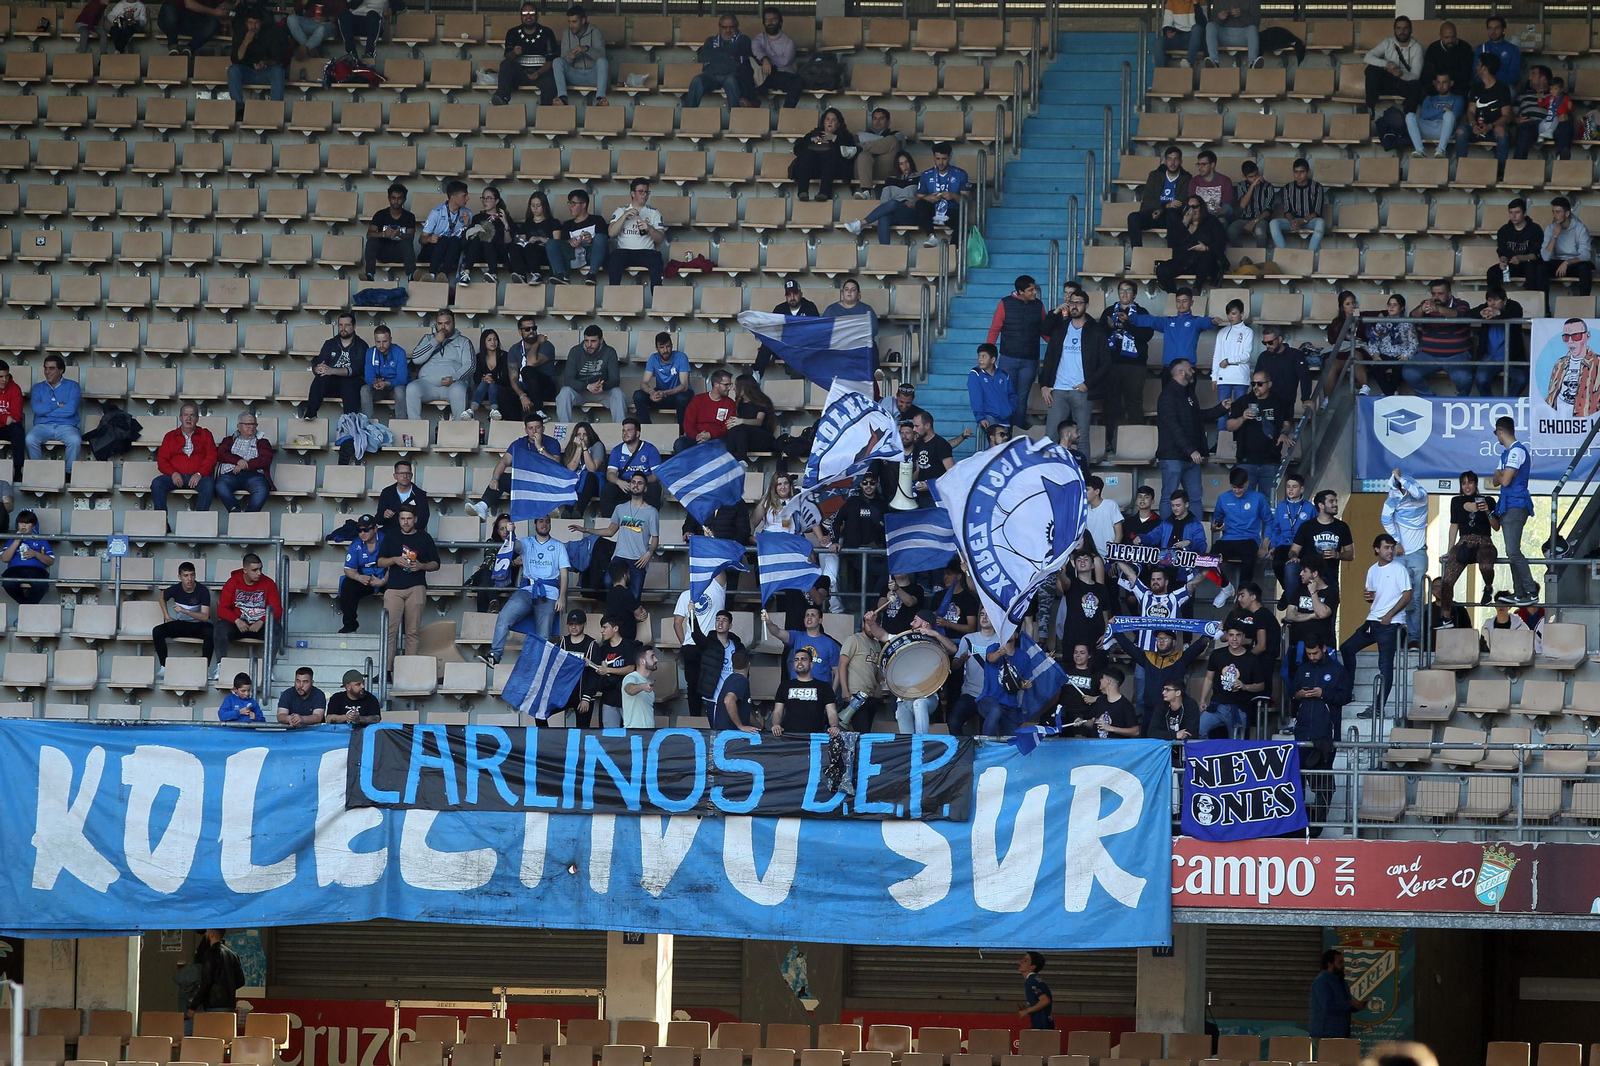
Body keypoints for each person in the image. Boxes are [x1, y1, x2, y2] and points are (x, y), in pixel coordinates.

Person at [1339, 534, 1412, 718]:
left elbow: (1407, 595)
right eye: (1386, 547)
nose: (1390, 551)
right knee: (1347, 648)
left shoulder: (1399, 569)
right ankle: (1349, 690)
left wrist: (1389, 615)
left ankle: (1378, 707)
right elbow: (1372, 595)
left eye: (1392, 547)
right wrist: (1368, 598)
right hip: (1373, 620)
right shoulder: (1372, 570)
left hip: (1391, 623)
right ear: (1376, 549)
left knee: (1385, 665)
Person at [483, 516, 569, 666]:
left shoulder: (558, 546)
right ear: (534, 524)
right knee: (503, 616)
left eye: (547, 521)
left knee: (544, 634)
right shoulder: (527, 542)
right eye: (541, 521)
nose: (544, 524)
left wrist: (562, 597)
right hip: (527, 590)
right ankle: (495, 655)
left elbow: (564, 574)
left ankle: (538, 665)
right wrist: (511, 532)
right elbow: (512, 546)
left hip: (549, 593)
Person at [1155, 359, 1225, 516]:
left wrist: (1221, 409)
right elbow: (1173, 427)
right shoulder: (1167, 396)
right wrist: (1191, 450)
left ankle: (1196, 535)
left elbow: (1198, 417)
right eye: (1190, 369)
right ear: (1181, 373)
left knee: (1195, 498)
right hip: (1174, 456)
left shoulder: (1189, 394)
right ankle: (1166, 536)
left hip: (1192, 457)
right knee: (1169, 497)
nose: (1193, 371)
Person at [1291, 641, 1349, 827]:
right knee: (1298, 776)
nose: (1312, 657)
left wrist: (1324, 693)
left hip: (1325, 733)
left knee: (1322, 779)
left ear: (1323, 648)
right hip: (1302, 731)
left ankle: (1319, 822)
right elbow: (1292, 693)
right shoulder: (1303, 669)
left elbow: (1345, 697)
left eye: (1315, 652)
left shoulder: (1337, 670)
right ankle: (1298, 820)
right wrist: (1299, 695)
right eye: (1309, 654)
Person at [574, 472, 658, 599]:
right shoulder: (620, 508)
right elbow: (610, 531)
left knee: (634, 597)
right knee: (608, 582)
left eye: (640, 483)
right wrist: (586, 529)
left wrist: (649, 553)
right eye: (633, 482)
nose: (636, 485)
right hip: (620, 556)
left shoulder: (652, 512)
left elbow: (655, 538)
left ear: (645, 488)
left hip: (638, 559)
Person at [377, 503, 439, 673]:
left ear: (415, 519)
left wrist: (421, 566)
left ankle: (409, 671)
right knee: (390, 630)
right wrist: (394, 560)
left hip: (416, 586)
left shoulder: (424, 538)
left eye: (409, 518)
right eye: (403, 518)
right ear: (399, 519)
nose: (405, 522)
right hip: (394, 587)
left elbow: (436, 564)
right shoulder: (391, 536)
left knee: (412, 631)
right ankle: (386, 671)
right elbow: (380, 561)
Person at [1114, 628, 1210, 735]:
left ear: (1174, 642)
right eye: (1159, 638)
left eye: (1166, 638)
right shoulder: (1149, 657)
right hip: (1150, 711)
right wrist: (1116, 630)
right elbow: (1129, 648)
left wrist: (1211, 630)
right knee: (1148, 743)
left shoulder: (1181, 658)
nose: (1161, 641)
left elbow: (1199, 646)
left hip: (1171, 712)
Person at [1040, 290, 1108, 437]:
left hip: (1081, 391)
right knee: (1051, 437)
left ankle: (1082, 461)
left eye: (1079, 303)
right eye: (1072, 303)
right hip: (1058, 389)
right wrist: (1044, 385)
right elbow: (1049, 358)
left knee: (1082, 437)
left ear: (1087, 305)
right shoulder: (1060, 329)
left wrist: (1087, 384)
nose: (1074, 306)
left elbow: (1105, 363)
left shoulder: (1096, 331)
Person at [986, 275, 1046, 428]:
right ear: (1020, 291)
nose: (1034, 292)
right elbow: (995, 329)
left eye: (1034, 289)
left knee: (1022, 398)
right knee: (1006, 396)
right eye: (1030, 290)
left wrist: (1058, 345)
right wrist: (988, 353)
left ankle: (1017, 432)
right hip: (1008, 358)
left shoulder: (1038, 305)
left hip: (1030, 360)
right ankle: (1005, 430)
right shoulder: (1005, 303)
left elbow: (1044, 331)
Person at [1493, 415, 1538, 605]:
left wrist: (1502, 474)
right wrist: (1502, 473)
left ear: (1500, 431)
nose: (1496, 436)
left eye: (1496, 432)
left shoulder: (1517, 452)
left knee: (1513, 551)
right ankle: (1519, 593)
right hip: (1506, 505)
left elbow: (1503, 480)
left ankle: (1530, 591)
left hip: (1516, 505)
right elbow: (1495, 479)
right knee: (1511, 551)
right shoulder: (1506, 454)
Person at [1403, 278, 1474, 397]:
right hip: (1428, 355)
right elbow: (1412, 318)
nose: (1436, 297)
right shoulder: (1427, 304)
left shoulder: (1461, 304)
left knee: (1464, 378)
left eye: (1440, 294)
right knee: (1409, 372)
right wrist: (1421, 309)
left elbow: (1459, 316)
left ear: (1449, 294)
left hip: (1457, 355)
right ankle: (1430, 399)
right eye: (1433, 293)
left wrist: (1438, 309)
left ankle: (1460, 402)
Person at [1210, 468, 1270, 605]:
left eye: (1240, 487)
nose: (1237, 491)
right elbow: (1215, 522)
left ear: (1247, 483)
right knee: (1207, 560)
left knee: (1249, 560)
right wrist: (1215, 527)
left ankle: (1242, 595)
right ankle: (1226, 588)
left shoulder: (1258, 498)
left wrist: (1264, 546)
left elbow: (1269, 521)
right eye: (1234, 487)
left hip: (1249, 539)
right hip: (1228, 538)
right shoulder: (1223, 498)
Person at [1225, 370, 1289, 498]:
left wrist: (1284, 433)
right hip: (1246, 460)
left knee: (1268, 501)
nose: (1255, 387)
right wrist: (1242, 418)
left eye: (1259, 384)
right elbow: (1229, 426)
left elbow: (1286, 424)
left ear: (1269, 384)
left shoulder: (1278, 401)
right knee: (1245, 500)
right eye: (1253, 383)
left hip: (1271, 459)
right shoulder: (1243, 401)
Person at [1381, 468, 1429, 634]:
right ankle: (1403, 634)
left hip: (1418, 554)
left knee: (1416, 597)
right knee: (1402, 596)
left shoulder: (1421, 496)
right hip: (1399, 556)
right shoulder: (1392, 500)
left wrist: (1400, 478)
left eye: (1403, 486)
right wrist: (1397, 542)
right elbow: (1385, 519)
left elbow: (1418, 493)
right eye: (1398, 486)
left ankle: (1415, 636)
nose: (1402, 490)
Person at [213, 553, 281, 670]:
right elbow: (222, 609)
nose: (259, 573)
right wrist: (236, 620)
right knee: (220, 627)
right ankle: (221, 666)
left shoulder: (268, 583)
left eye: (260, 569)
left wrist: (261, 621)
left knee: (276, 628)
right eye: (254, 570)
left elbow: (277, 609)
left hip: (260, 626)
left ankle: (268, 668)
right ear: (245, 570)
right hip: (239, 625)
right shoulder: (233, 582)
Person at [839, 150, 922, 246]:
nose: (905, 166)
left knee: (893, 203)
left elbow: (924, 198)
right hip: (895, 213)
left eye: (907, 162)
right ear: (897, 165)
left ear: (911, 162)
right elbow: (884, 201)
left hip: (911, 212)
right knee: (883, 217)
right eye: (901, 164)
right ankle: (884, 251)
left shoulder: (920, 177)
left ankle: (860, 223)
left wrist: (913, 204)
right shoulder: (891, 180)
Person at [1199, 622, 1267, 738]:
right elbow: (1208, 679)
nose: (1234, 639)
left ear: (1243, 636)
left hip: (1239, 708)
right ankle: (1207, 755)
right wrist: (1202, 700)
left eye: (1238, 635)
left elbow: (1261, 685)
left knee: (1236, 744)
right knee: (1199, 729)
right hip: (1217, 706)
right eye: (1231, 635)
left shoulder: (1252, 659)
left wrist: (1244, 686)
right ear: (1226, 636)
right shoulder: (1217, 654)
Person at [1286, 488, 1353, 602]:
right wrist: (1294, 557)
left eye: (1336, 501)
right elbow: (1293, 550)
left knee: (1332, 601)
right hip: (1309, 569)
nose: (1336, 504)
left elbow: (1350, 554)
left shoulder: (1342, 527)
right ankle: (1291, 602)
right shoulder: (1307, 526)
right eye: (1331, 501)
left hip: (1329, 570)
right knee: (1291, 567)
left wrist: (1337, 555)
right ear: (1321, 505)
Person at [1128, 287, 1221, 369]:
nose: (1181, 304)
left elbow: (1206, 322)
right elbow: (1152, 320)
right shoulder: (1167, 322)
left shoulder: (1195, 322)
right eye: (1178, 301)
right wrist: (1130, 318)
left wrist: (1213, 321)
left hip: (1188, 367)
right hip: (1169, 367)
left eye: (1185, 301)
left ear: (1191, 302)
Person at [406, 310, 474, 420]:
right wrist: (435, 341)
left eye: (447, 323)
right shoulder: (427, 339)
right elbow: (416, 359)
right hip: (428, 385)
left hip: (452, 386)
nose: (443, 327)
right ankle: (416, 430)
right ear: (436, 324)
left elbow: (470, 366)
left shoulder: (464, 342)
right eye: (440, 324)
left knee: (459, 390)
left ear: (453, 324)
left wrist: (454, 378)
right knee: (412, 388)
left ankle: (460, 431)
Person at [152, 403, 217, 513]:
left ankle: (199, 521)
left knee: (209, 485)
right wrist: (173, 473)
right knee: (157, 484)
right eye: (185, 415)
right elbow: (162, 461)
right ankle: (162, 522)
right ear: (180, 418)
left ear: (197, 419)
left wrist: (199, 474)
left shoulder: (205, 434)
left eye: (192, 415)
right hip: (175, 476)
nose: (188, 418)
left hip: (198, 477)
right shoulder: (170, 436)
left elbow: (211, 457)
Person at [491, 0, 558, 106]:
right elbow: (508, 56)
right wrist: (514, 52)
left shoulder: (547, 32)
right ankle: (501, 97)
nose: (528, 16)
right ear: (520, 16)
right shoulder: (512, 33)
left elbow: (551, 60)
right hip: (521, 73)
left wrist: (539, 72)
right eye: (525, 14)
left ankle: (546, 111)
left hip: (541, 73)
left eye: (532, 13)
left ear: (537, 15)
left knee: (552, 79)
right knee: (505, 64)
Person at [299, 313, 365, 419]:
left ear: (354, 326)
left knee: (351, 383)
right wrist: (318, 368)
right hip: (333, 383)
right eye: (340, 325)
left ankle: (350, 421)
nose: (343, 328)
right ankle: (310, 413)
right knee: (320, 378)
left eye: (347, 325)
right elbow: (320, 362)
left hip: (351, 382)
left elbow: (357, 369)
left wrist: (332, 370)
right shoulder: (330, 343)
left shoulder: (361, 345)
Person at [153, 561, 212, 679]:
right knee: (157, 631)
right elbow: (161, 596)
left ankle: (205, 668)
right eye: (186, 576)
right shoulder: (176, 589)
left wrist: (186, 611)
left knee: (211, 631)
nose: (189, 579)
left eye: (192, 575)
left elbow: (205, 617)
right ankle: (164, 667)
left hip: (198, 625)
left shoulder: (203, 590)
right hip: (181, 625)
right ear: (180, 577)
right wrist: (167, 616)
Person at [556, 324, 626, 423]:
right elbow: (568, 380)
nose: (589, 345)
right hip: (581, 392)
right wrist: (587, 386)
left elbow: (615, 380)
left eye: (593, 341)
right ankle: (564, 429)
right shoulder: (575, 351)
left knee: (618, 393)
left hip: (602, 391)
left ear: (601, 340)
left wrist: (603, 386)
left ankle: (621, 430)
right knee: (564, 392)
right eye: (586, 341)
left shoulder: (610, 352)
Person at [26, 355, 83, 474]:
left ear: (61, 370)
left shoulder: (73, 386)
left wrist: (46, 409)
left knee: (75, 440)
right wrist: (58, 404)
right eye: (45, 368)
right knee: (30, 439)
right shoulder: (38, 388)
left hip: (67, 426)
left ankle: (69, 474)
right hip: (42, 426)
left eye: (51, 368)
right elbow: (37, 409)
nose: (47, 372)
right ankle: (36, 472)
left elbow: (71, 409)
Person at [1457, 53, 1514, 171]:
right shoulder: (1476, 88)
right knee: (1461, 131)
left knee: (1501, 130)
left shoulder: (1502, 89)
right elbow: (1471, 110)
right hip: (1476, 127)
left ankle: (1500, 172)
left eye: (1478, 64)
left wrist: (1490, 125)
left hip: (1493, 128)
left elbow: (1506, 115)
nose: (1476, 67)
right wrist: (1473, 124)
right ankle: (1460, 169)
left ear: (1485, 68)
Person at [1159, 195, 1228, 292]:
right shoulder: (1179, 223)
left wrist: (1206, 248)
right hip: (1184, 261)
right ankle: (1174, 296)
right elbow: (1171, 243)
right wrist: (1184, 223)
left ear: (1201, 208)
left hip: (1205, 261)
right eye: (1188, 207)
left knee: (1206, 257)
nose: (1192, 210)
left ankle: (1196, 289)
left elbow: (1221, 243)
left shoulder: (1212, 222)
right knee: (1162, 269)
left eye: (1195, 206)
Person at [686, 13, 755, 108]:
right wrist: (730, 56)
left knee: (731, 81)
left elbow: (740, 55)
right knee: (696, 80)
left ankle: (735, 117)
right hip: (711, 75)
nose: (728, 30)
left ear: (737, 26)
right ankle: (688, 116)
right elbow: (703, 56)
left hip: (732, 75)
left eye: (731, 27)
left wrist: (716, 54)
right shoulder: (710, 40)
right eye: (724, 27)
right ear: (719, 27)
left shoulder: (744, 39)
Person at [606, 178, 666, 287]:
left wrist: (650, 229)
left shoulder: (653, 212)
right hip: (624, 252)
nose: (645, 195)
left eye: (647, 192)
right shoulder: (620, 210)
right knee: (614, 257)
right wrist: (624, 216)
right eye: (641, 191)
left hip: (646, 252)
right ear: (632, 193)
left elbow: (661, 238)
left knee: (656, 258)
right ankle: (613, 297)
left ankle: (657, 297)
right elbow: (611, 233)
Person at [1126, 145, 1189, 248]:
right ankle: (1137, 252)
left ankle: (1172, 255)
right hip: (1153, 213)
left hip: (1171, 217)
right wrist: (1164, 206)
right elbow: (1147, 199)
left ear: (1181, 161)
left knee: (1172, 215)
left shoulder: (1186, 178)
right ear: (1165, 161)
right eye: (1169, 159)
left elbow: (1180, 202)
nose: (1172, 163)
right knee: (1133, 217)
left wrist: (1162, 209)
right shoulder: (1155, 175)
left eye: (1175, 159)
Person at [226, 10, 285, 117]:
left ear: (261, 22)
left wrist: (265, 63)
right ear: (246, 24)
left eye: (256, 22)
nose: (253, 26)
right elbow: (236, 59)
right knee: (233, 70)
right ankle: (239, 109)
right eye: (250, 23)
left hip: (265, 72)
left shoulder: (270, 33)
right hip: (246, 73)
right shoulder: (240, 34)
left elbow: (277, 59)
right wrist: (246, 42)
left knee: (278, 71)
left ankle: (276, 108)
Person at [599, 418, 662, 515]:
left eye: (629, 430)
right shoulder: (617, 450)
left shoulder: (650, 449)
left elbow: (657, 474)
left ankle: (649, 520)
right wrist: (618, 482)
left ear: (637, 433)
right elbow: (610, 473)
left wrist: (641, 482)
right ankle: (610, 523)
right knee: (608, 489)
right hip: (625, 485)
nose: (625, 433)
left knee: (655, 488)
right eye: (623, 430)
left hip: (644, 485)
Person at [791, 107, 856, 202]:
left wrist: (834, 139)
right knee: (806, 155)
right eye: (827, 119)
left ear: (838, 123)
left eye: (834, 120)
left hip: (835, 170)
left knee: (830, 155)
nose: (830, 122)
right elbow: (797, 150)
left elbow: (851, 151)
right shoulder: (813, 134)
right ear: (823, 121)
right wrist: (810, 141)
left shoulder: (845, 136)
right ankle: (803, 191)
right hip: (813, 169)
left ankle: (824, 192)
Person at [214, 413, 273, 514]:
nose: (252, 427)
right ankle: (235, 511)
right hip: (231, 474)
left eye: (254, 424)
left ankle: (249, 516)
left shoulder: (262, 442)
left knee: (262, 489)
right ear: (239, 426)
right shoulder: (229, 440)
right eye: (248, 424)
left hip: (254, 475)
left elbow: (265, 459)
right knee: (220, 485)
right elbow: (221, 454)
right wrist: (238, 461)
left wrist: (245, 465)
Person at [459, 186, 518, 287]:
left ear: (496, 201)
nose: (485, 201)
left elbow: (508, 243)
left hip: (497, 253)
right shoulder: (477, 218)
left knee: (487, 238)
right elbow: (469, 241)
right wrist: (468, 226)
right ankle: (466, 273)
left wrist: (506, 225)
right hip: (478, 253)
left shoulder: (505, 218)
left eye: (489, 198)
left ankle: (493, 273)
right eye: (483, 198)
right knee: (480, 237)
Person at [1362, 16, 1423, 112]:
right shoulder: (1388, 42)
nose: (1402, 31)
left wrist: (1401, 74)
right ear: (1394, 30)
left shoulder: (1417, 48)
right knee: (1371, 69)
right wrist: (1387, 64)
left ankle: (1408, 118)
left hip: (1404, 83)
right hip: (1388, 82)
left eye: (1405, 28)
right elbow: (1368, 57)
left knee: (1416, 87)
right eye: (1398, 28)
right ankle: (1370, 108)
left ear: (1411, 30)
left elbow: (1416, 75)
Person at [912, 142, 968, 245]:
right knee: (920, 204)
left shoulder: (960, 174)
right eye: (938, 159)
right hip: (932, 210)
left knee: (963, 221)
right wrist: (928, 198)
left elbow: (967, 201)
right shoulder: (926, 175)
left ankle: (952, 249)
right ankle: (932, 237)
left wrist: (954, 196)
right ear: (933, 157)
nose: (940, 162)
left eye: (944, 159)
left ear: (950, 157)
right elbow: (918, 199)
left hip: (951, 211)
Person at [337, 515, 385, 634]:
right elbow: (348, 569)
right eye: (359, 530)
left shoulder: (386, 541)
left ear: (375, 528)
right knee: (347, 584)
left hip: (386, 577)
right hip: (366, 578)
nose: (362, 533)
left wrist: (383, 580)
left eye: (366, 530)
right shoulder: (356, 544)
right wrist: (359, 577)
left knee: (399, 587)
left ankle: (398, 629)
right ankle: (350, 625)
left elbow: (394, 566)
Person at [1513, 65, 1572, 161]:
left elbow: (1567, 111)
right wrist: (1516, 120)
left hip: (1551, 124)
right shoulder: (1524, 94)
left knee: (1566, 125)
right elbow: (1511, 114)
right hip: (1529, 123)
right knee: (1524, 128)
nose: (1529, 78)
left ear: (1543, 78)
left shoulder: (1558, 95)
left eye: (1533, 74)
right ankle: (1518, 164)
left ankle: (1561, 159)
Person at [553, 3, 608, 105]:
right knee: (557, 61)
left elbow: (602, 56)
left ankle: (600, 98)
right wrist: (570, 57)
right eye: (569, 22)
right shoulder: (567, 33)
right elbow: (564, 60)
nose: (571, 25)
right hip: (575, 75)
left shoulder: (595, 31)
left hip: (593, 75)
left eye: (574, 22)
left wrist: (586, 49)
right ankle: (562, 97)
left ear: (583, 20)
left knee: (603, 62)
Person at [547, 189, 607, 282]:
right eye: (569, 203)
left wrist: (592, 240)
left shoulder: (597, 220)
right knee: (551, 243)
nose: (570, 207)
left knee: (599, 237)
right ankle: (561, 275)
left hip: (592, 254)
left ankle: (592, 275)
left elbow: (603, 241)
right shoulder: (567, 224)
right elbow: (562, 243)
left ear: (583, 205)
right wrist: (569, 241)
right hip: (574, 254)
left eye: (573, 204)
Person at [1270, 158, 1328, 252]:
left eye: (1302, 172)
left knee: (1321, 222)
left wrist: (1302, 221)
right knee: (1273, 223)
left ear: (1308, 172)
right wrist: (1293, 221)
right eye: (1296, 172)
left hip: (1310, 221)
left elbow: (1317, 212)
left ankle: (1310, 253)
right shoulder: (1288, 188)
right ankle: (1283, 252)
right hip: (1293, 222)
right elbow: (1287, 211)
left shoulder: (1317, 187)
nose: (1298, 175)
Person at [1542, 196, 1594, 300]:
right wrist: (1554, 236)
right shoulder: (1550, 228)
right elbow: (1545, 257)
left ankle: (1585, 305)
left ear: (1567, 213)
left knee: (1585, 268)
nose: (1554, 216)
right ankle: (1545, 309)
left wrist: (1567, 263)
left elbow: (1585, 254)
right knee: (1540, 268)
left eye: (1558, 212)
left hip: (1574, 263)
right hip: (1557, 262)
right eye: (1553, 212)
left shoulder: (1580, 228)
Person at [634, 333, 692, 426]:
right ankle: (647, 428)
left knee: (683, 398)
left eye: (668, 346)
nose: (665, 350)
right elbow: (643, 383)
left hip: (676, 394)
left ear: (672, 345)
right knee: (638, 395)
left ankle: (681, 432)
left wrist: (665, 393)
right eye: (662, 347)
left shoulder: (681, 357)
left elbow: (684, 386)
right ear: (656, 348)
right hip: (661, 394)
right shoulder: (653, 358)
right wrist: (652, 392)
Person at [419, 180, 473, 282]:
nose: (468, 199)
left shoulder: (467, 213)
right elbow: (421, 239)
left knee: (454, 240)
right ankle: (432, 274)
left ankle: (443, 274)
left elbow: (469, 241)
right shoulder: (437, 212)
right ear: (453, 197)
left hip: (454, 252)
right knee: (443, 239)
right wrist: (429, 239)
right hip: (435, 250)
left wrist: (468, 226)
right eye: (464, 196)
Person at [187, 930, 245, 1022]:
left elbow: (206, 982)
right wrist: (227, 988)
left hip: (212, 1003)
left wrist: (193, 1006)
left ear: (211, 934)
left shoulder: (210, 954)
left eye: (206, 933)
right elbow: (241, 981)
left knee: (193, 1028)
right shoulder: (233, 955)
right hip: (228, 1004)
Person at [1308, 950, 1367, 1039]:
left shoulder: (1341, 982)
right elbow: (1328, 1005)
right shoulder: (1322, 981)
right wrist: (1350, 1003)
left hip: (1341, 1032)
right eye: (1340, 962)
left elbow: (1343, 1004)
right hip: (1325, 1033)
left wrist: (1356, 1006)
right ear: (1330, 964)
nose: (1343, 965)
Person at [1490, 198, 1545, 292]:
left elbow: (1536, 255)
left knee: (1533, 269)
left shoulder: (1535, 229)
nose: (1513, 216)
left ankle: (1532, 301)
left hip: (1529, 265)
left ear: (1524, 213)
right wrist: (1503, 261)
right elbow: (1502, 251)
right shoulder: (1504, 230)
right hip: (1511, 265)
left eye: (1517, 212)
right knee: (1492, 272)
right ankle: (1495, 299)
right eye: (1511, 212)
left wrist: (1520, 258)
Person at [1, 509, 51, 608]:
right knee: (7, 583)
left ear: (34, 525)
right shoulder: (12, 539)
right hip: (15, 569)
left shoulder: (41, 539)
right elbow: (5, 559)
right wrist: (16, 541)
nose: (24, 525)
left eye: (27, 523)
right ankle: (27, 607)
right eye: (21, 522)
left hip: (36, 570)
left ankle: (25, 608)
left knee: (41, 585)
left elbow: (50, 561)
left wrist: (36, 554)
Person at [1405, 71, 1463, 157]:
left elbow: (1456, 115)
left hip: (1445, 128)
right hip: (1428, 127)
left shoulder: (1458, 98)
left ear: (1451, 83)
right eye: (1438, 82)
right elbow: (1424, 115)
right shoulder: (1429, 98)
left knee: (1449, 114)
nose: (1441, 85)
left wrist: (1433, 113)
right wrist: (1442, 109)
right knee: (1409, 116)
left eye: (1444, 82)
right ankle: (1419, 150)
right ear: (1435, 83)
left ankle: (1441, 149)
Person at [509, 315, 559, 414]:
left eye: (534, 328)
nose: (531, 331)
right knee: (505, 394)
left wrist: (537, 343)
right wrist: (522, 396)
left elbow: (531, 362)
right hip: (526, 388)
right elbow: (513, 378)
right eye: (527, 329)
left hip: (546, 388)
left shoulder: (546, 345)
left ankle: (539, 411)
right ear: (520, 332)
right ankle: (514, 426)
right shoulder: (514, 349)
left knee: (527, 370)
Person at [752, 6, 800, 108]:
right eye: (767, 20)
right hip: (763, 77)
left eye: (773, 20)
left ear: (780, 22)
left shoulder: (788, 42)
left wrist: (767, 61)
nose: (770, 23)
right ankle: (750, 104)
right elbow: (756, 50)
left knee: (797, 82)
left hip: (781, 74)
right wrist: (765, 59)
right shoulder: (758, 38)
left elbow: (784, 62)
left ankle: (786, 114)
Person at [465, 328, 514, 422]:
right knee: (484, 383)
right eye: (489, 340)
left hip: (502, 391)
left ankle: (472, 410)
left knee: (491, 386)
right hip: (484, 392)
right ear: (484, 342)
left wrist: (493, 380)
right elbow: (476, 378)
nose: (493, 342)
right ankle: (493, 411)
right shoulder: (479, 357)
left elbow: (506, 379)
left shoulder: (504, 356)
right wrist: (484, 379)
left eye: (495, 339)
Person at [853, 107, 907, 193]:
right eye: (875, 119)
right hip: (864, 171)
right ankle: (866, 191)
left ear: (888, 122)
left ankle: (859, 149)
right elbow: (856, 138)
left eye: (881, 118)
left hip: (885, 170)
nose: (877, 122)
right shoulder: (862, 134)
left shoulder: (896, 134)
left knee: (893, 140)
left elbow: (901, 143)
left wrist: (867, 143)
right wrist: (881, 142)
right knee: (864, 155)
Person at [360, 325, 409, 419]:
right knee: (365, 389)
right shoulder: (370, 352)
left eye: (384, 341)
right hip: (378, 389)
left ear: (390, 339)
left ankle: (401, 423)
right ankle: (367, 425)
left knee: (399, 391)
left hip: (394, 388)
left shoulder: (399, 352)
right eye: (378, 342)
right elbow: (368, 375)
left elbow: (402, 379)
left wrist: (387, 383)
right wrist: (374, 382)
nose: (381, 345)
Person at [510, 191, 559, 284]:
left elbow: (556, 243)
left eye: (538, 205)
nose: (535, 208)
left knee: (530, 247)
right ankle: (521, 275)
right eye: (532, 205)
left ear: (544, 206)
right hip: (529, 252)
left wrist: (540, 239)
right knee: (515, 248)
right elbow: (522, 241)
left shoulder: (553, 222)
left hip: (545, 253)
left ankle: (537, 275)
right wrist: (526, 241)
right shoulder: (526, 224)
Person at [1420, 21, 1473, 99]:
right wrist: (1438, 82)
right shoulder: (1433, 48)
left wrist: (1449, 83)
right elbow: (1428, 72)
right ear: (1440, 36)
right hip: (1437, 85)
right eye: (1447, 37)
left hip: (1457, 84)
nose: (1450, 40)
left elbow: (1467, 72)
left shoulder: (1465, 48)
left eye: (1453, 37)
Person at [910, 412, 954, 506]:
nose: (914, 429)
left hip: (937, 497)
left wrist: (931, 485)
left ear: (927, 425)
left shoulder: (941, 444)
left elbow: (952, 473)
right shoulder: (918, 444)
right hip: (920, 496)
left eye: (917, 426)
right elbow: (918, 470)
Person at [376, 459, 431, 532]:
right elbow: (378, 520)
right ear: (395, 476)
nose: (405, 476)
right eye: (401, 473)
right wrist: (384, 515)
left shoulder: (420, 495)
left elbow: (423, 521)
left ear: (411, 475)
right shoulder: (387, 492)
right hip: (390, 534)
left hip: (412, 535)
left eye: (408, 473)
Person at [161, 0, 232, 55]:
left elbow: (224, 4)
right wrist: (215, 11)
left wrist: (232, 6)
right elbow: (189, 4)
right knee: (168, 7)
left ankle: (189, 48)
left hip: (192, 23)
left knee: (214, 23)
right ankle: (173, 46)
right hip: (172, 22)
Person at [1228, 159, 1273, 247]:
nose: (1255, 178)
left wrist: (1254, 221)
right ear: (1244, 176)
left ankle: (1261, 257)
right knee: (1231, 231)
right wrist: (1252, 186)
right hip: (1244, 219)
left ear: (1258, 170)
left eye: (1256, 175)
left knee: (1260, 232)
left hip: (1261, 219)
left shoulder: (1267, 186)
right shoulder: (1241, 185)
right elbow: (1242, 205)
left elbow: (1268, 210)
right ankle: (1240, 255)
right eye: (1251, 177)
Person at [1204, 0, 1260, 69]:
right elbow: (1212, 21)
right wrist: (1219, 18)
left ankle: (1252, 62)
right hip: (1224, 36)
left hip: (1243, 36)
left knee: (1252, 28)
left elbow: (1256, 22)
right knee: (1210, 25)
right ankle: (1214, 61)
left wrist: (1242, 14)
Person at [712, 649, 758, 732]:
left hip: (723, 733)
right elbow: (728, 700)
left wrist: (761, 727)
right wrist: (741, 726)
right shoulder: (741, 681)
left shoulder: (730, 679)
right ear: (749, 664)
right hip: (731, 735)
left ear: (732, 665)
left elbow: (745, 713)